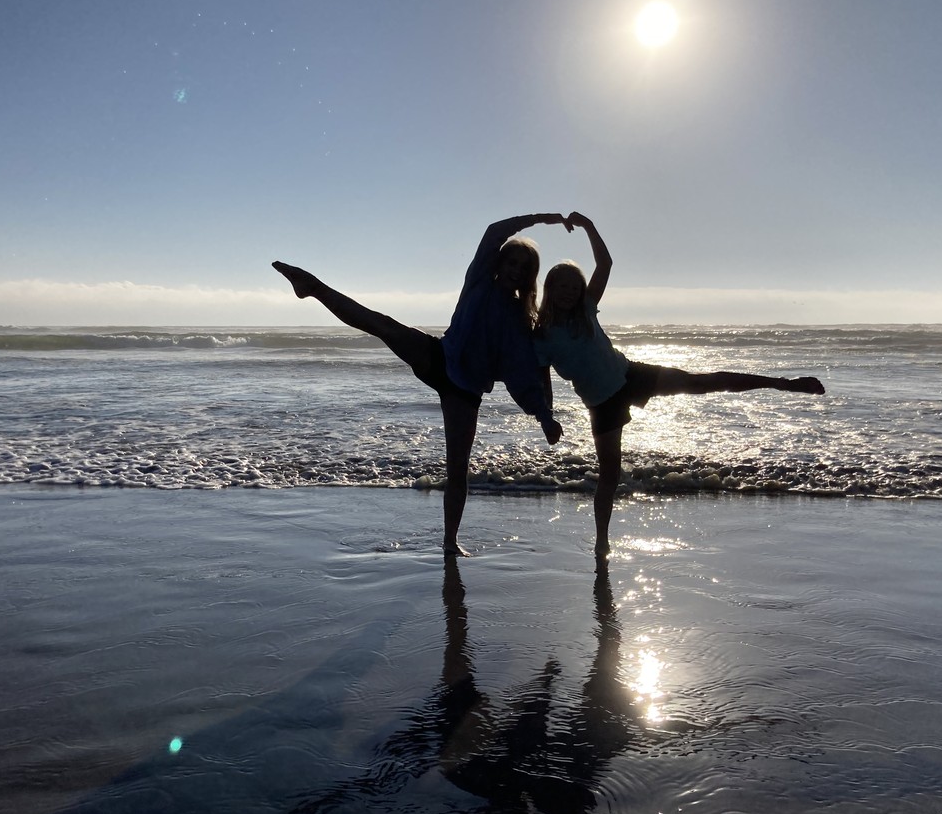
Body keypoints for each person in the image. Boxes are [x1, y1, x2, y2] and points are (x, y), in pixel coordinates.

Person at [273, 213, 569, 556]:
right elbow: (494, 231)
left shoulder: (520, 319)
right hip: (438, 356)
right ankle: (313, 288)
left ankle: (450, 541)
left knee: (458, 468)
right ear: (500, 262)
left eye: (525, 267)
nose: (516, 269)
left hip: (465, 391)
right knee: (382, 324)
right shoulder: (479, 281)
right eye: (512, 261)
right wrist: (543, 219)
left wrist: (544, 417)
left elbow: (522, 375)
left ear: (530, 277)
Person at [534, 212, 826, 555]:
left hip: (631, 376)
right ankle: (602, 541)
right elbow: (542, 382)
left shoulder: (586, 308)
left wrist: (588, 226)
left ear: (580, 290)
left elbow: (606, 263)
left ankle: (781, 383)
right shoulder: (541, 337)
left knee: (703, 382)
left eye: (573, 286)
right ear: (548, 290)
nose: (568, 292)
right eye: (561, 287)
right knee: (609, 475)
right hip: (601, 404)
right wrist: (546, 418)